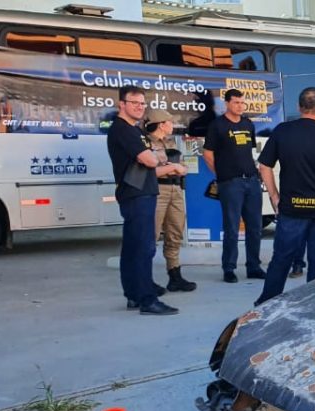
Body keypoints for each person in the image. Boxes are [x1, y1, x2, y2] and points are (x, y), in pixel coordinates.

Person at [255, 87, 315, 306]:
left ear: (299, 107)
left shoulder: (282, 131)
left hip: (292, 210)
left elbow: (264, 166)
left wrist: (274, 197)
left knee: (281, 260)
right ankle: (314, 308)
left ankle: (266, 305)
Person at [107, 85, 177, 315]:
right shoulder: (123, 129)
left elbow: (151, 158)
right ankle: (148, 300)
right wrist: (156, 157)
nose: (139, 107)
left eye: (142, 103)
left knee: (133, 247)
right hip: (136, 194)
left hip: (141, 192)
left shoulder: (134, 130)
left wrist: (154, 157)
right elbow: (149, 159)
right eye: (134, 102)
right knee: (144, 247)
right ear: (122, 104)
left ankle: (134, 294)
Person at [203, 88, 264, 283]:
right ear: (227, 103)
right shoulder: (217, 125)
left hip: (252, 181)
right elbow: (208, 154)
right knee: (231, 227)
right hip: (231, 183)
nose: (240, 106)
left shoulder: (248, 124)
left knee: (255, 227)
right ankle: (229, 268)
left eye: (242, 102)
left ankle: (254, 266)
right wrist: (222, 175)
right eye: (236, 102)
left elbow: (249, 152)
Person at [143, 109, 197, 292]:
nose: (172, 125)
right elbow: (151, 171)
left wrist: (172, 167)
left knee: (175, 233)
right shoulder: (146, 143)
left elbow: (184, 168)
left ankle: (175, 276)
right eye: (169, 121)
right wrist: (172, 167)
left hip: (176, 189)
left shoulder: (172, 142)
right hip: (157, 190)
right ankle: (145, 280)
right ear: (160, 124)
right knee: (151, 235)